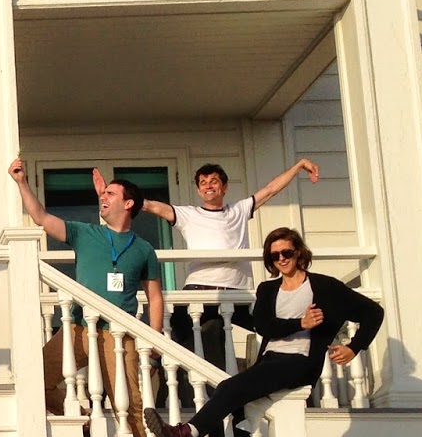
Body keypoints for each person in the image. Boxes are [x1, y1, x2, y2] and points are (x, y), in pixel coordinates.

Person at [144, 227, 383, 437]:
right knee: (216, 425)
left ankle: (181, 435)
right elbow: (265, 326)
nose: (281, 259)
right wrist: (301, 322)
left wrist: (354, 347)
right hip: (269, 362)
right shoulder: (268, 289)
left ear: (299, 252)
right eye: (274, 255)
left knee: (228, 389)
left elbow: (373, 312)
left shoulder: (324, 287)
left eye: (286, 253)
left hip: (300, 362)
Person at [9, 158, 164, 437]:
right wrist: (22, 182)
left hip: (120, 334)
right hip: (78, 328)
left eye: (111, 194)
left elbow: (155, 297)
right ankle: (83, 422)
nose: (104, 197)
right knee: (34, 380)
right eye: (102, 194)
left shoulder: (143, 249)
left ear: (128, 204)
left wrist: (155, 340)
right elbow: (41, 217)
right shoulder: (85, 233)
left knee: (129, 403)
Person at [137, 159, 320, 374]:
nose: (208, 186)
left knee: (272, 327)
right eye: (203, 183)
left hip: (236, 292)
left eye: (214, 181)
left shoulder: (238, 210)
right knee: (177, 336)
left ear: (224, 187)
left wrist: (298, 166)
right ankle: (156, 372)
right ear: (198, 190)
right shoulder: (189, 214)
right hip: (199, 290)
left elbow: (271, 189)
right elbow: (149, 206)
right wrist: (111, 195)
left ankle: (278, 373)